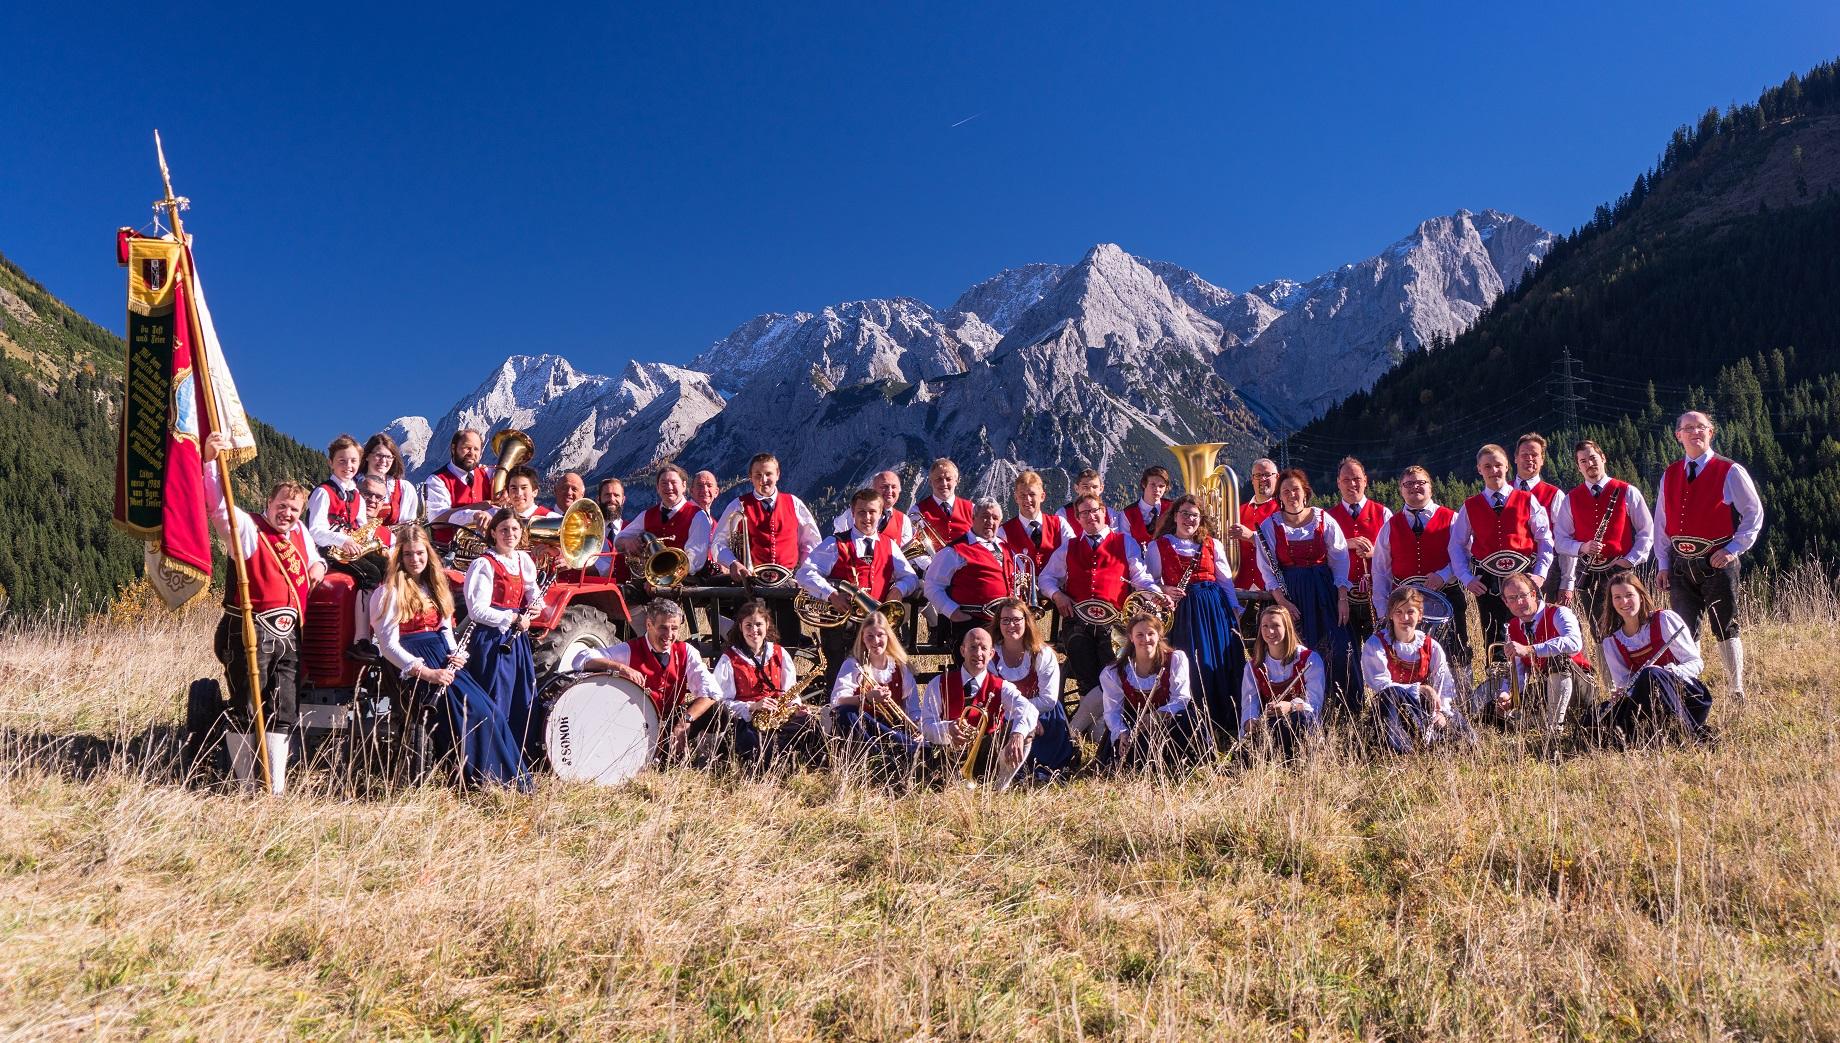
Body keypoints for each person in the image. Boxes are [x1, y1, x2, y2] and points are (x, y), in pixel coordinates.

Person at [202, 432, 325, 794]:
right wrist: (210, 462)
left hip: (289, 635)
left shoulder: (300, 532)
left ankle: (274, 790)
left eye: (294, 509)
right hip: (250, 629)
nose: (287, 514)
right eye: (282, 506)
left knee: (284, 709)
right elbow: (218, 507)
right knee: (246, 707)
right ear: (268, 502)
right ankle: (246, 788)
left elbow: (314, 558)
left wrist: (318, 566)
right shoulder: (248, 528)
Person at [371, 525, 528, 789]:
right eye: (408, 554)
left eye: (420, 553)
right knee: (470, 714)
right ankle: (479, 782)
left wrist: (457, 653)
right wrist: (427, 673)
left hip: (443, 659)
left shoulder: (434, 586)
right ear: (399, 557)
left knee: (490, 712)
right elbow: (388, 645)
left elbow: (445, 629)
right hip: (413, 665)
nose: (415, 559)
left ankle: (506, 782)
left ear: (428, 553)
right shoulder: (388, 592)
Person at [1653, 410, 1764, 703]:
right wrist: (1663, 563)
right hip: (1679, 563)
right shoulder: (1670, 473)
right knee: (1684, 629)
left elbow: (1754, 514)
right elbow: (1661, 523)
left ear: (1711, 432)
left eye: (1700, 427)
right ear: (1678, 435)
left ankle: (1736, 688)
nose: (1695, 432)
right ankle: (1692, 690)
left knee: (1725, 624)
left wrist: (1732, 550)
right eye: (1688, 428)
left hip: (1716, 561)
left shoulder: (1730, 470)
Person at [1041, 493, 1161, 708]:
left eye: (1094, 510)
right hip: (1078, 622)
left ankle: (1103, 719)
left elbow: (1140, 577)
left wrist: (1156, 594)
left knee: (1114, 676)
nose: (1090, 516)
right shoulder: (1069, 546)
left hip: (1114, 623)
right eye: (1084, 513)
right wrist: (1057, 595)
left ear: (1104, 512)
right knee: (1086, 678)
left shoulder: (1125, 542)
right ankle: (1090, 722)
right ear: (1078, 518)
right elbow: (1045, 578)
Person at [1146, 495, 1245, 747]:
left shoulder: (1213, 544)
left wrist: (1234, 611)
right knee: (1189, 662)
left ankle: (1223, 721)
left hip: (1214, 611)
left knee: (1217, 661)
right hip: (1182, 614)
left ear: (1201, 519)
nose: (1189, 519)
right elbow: (1151, 582)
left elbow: (1224, 581)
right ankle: (1193, 723)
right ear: (1174, 516)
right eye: (1184, 513)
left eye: (1194, 515)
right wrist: (1164, 589)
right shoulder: (1158, 546)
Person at [1255, 469, 1354, 713]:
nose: (1291, 495)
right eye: (1285, 491)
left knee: (1338, 648)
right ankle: (1301, 710)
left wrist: (1342, 597)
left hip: (1325, 594)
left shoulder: (1323, 519)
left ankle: (1341, 708)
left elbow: (1340, 560)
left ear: (1305, 492)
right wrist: (1283, 603)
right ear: (1279, 496)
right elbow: (1267, 571)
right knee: (1298, 651)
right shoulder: (1270, 525)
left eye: (1296, 489)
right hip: (1292, 596)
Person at [576, 600, 725, 762]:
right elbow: (582, 658)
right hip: (637, 726)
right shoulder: (630, 650)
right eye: (663, 628)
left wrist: (684, 721)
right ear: (649, 625)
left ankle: (707, 760)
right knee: (660, 761)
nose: (669, 635)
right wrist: (621, 667)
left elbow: (712, 692)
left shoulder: (686, 651)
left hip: (672, 721)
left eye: (674, 628)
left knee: (718, 711)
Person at [794, 488, 919, 683]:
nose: (867, 518)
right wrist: (831, 594)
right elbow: (804, 573)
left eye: (872, 512)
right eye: (861, 512)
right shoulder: (834, 543)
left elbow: (910, 577)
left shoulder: (889, 545)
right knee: (838, 676)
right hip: (842, 626)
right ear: (852, 513)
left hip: (875, 623)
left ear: (881, 513)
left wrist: (898, 590)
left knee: (877, 675)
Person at [1450, 443, 1554, 653]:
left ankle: (1536, 671)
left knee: (1532, 630)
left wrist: (1540, 574)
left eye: (1498, 465)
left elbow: (1545, 539)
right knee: (1493, 634)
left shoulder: (1527, 499)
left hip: (1524, 576)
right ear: (1479, 469)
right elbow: (1456, 545)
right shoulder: (1470, 506)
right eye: (1487, 466)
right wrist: (1467, 578)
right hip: (1487, 581)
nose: (1494, 470)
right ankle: (1499, 674)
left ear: (1507, 466)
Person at [461, 508, 546, 765]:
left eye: (515, 529)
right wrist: (513, 618)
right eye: (504, 530)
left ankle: (517, 760)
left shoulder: (522, 560)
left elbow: (532, 591)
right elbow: (477, 611)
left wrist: (535, 606)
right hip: (491, 640)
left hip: (516, 640)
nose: (510, 534)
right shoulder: (484, 564)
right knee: (497, 697)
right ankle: (492, 763)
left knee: (521, 697)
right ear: (493, 533)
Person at [1596, 571, 1713, 746]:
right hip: (1646, 702)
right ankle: (1650, 738)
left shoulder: (1664, 619)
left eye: (1629, 595)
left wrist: (1664, 673)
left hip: (1685, 695)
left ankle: (1688, 735)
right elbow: (1624, 682)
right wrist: (1623, 692)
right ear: (1611, 603)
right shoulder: (1612, 642)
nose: (1624, 602)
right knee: (1597, 715)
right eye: (1617, 597)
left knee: (1651, 674)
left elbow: (1696, 663)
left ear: (1641, 596)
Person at [1372, 465, 1470, 668]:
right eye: (1408, 484)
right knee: (1409, 661)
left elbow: (1467, 554)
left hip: (1448, 599)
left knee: (1456, 657)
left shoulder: (1452, 519)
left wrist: (1444, 575)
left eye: (1420, 482)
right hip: (1404, 607)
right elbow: (1380, 571)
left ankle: (1459, 690)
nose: (1414, 487)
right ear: (1401, 490)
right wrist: (1383, 612)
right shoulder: (1390, 525)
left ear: (1431, 487)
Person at [916, 627, 1038, 789]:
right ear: (962, 650)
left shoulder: (1001, 686)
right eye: (973, 647)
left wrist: (1017, 734)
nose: (978, 653)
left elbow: (1030, 710)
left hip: (987, 755)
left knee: (1027, 731)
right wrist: (947, 728)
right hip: (950, 754)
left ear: (991, 654)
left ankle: (999, 786)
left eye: (984, 648)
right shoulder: (938, 683)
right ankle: (953, 781)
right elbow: (925, 726)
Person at [711, 600, 823, 771]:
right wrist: (753, 706)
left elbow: (790, 692)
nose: (754, 630)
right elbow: (721, 702)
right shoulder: (729, 659)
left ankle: (814, 767)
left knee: (810, 724)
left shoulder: (779, 653)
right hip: (748, 720)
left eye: (758, 624)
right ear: (740, 627)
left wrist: (796, 707)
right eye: (748, 625)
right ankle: (774, 766)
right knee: (761, 745)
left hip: (778, 715)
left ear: (767, 625)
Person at [1555, 439, 1654, 629]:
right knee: (1598, 628)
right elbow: (1560, 541)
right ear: (1578, 467)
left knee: (1631, 624)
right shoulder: (1570, 499)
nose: (1589, 464)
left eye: (1593, 458)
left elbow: (1646, 531)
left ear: (1603, 458)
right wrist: (1582, 547)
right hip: (1588, 572)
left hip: (1620, 569)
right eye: (1583, 461)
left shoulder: (1627, 491)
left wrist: (1630, 560)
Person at [1361, 586, 1469, 755]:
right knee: (1391, 695)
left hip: (1426, 708)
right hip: (1391, 711)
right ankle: (1398, 751)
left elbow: (1444, 684)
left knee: (1465, 734)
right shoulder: (1376, 644)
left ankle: (1436, 743)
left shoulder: (1431, 645)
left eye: (1410, 612)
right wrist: (1420, 689)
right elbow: (1381, 685)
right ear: (1390, 614)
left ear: (1420, 615)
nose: (1405, 618)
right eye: (1398, 612)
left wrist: (1440, 712)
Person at [1485, 572, 1593, 732]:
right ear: (1505, 601)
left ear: (1534, 594)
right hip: (1546, 686)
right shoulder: (1513, 626)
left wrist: (1530, 649)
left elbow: (1574, 643)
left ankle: (1554, 729)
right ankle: (1537, 722)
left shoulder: (1559, 612)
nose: (1519, 602)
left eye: (1523, 595)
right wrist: (1508, 694)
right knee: (1490, 710)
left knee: (1557, 660)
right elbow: (1519, 672)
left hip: (1580, 685)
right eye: (1512, 598)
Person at [1099, 611, 1200, 771]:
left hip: (1169, 721)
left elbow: (1181, 698)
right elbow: (1112, 712)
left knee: (1187, 718)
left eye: (1151, 633)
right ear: (1131, 638)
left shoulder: (1175, 659)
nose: (1146, 639)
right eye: (1139, 634)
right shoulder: (1114, 672)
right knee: (1130, 762)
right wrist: (1122, 733)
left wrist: (1157, 716)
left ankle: (1177, 764)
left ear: (1159, 636)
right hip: (1137, 725)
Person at [828, 611, 924, 780]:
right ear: (862, 639)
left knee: (920, 743)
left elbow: (913, 708)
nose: (875, 641)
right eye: (869, 636)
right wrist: (866, 698)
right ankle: (889, 760)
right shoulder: (853, 665)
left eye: (880, 635)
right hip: (863, 725)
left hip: (891, 727)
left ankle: (896, 754)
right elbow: (837, 700)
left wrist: (919, 729)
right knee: (846, 713)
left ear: (889, 637)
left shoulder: (901, 667)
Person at [989, 597, 1078, 779]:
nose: (1011, 625)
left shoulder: (1042, 654)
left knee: (1040, 759)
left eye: (1016, 619)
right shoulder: (991, 654)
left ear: (1026, 622)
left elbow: (1048, 699)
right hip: (1004, 714)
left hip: (1042, 715)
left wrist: (1027, 715)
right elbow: (991, 696)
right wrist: (1022, 715)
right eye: (1005, 620)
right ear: (998, 623)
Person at [923, 498, 1019, 648]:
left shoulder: (1005, 547)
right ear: (973, 518)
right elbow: (931, 585)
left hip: (1006, 625)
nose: (990, 522)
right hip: (971, 623)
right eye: (985, 517)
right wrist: (953, 612)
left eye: (995, 518)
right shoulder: (954, 551)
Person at [1239, 604, 1325, 762]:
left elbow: (1315, 704)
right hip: (1271, 725)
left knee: (1299, 720)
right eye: (1265, 626)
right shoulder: (1253, 666)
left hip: (1301, 725)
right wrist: (1250, 721)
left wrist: (1291, 706)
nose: (1270, 632)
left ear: (1287, 628)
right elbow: (1249, 703)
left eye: (1276, 626)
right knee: (1245, 755)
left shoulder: (1309, 659)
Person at [1327, 456, 1390, 641]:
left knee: (1379, 649)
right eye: (1346, 480)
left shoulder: (1383, 513)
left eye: (1356, 479)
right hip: (1342, 599)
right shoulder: (1328, 517)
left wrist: (1373, 552)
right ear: (1338, 483)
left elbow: (1394, 550)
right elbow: (1320, 553)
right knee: (1348, 650)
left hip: (1377, 596)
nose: (1352, 484)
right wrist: (1346, 543)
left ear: (1365, 480)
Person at [614, 464, 714, 577]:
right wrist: (627, 542)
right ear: (657, 488)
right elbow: (618, 540)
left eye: (673, 482)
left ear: (684, 486)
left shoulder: (698, 516)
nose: (669, 487)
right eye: (664, 483)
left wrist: (663, 577)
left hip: (688, 582)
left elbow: (695, 562)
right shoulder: (646, 515)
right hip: (650, 582)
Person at [1226, 457, 1281, 633]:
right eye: (1258, 475)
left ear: (1277, 477)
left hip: (1270, 590)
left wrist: (1251, 537)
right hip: (1239, 589)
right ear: (1252, 479)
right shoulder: (1237, 510)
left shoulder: (1282, 509)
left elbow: (1283, 544)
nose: (1262, 479)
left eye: (1267, 475)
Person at [1513, 433, 1570, 602]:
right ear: (1515, 458)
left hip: (1548, 573)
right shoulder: (1502, 493)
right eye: (1524, 454)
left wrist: (1567, 582)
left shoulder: (1555, 495)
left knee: (1546, 618)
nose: (1529, 459)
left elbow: (1565, 539)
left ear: (1542, 460)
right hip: (1510, 571)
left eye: (1534, 455)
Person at [421, 429, 493, 544]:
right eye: (467, 448)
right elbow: (437, 520)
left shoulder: (488, 473)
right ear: (453, 449)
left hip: (487, 546)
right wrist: (475, 509)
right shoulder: (437, 479)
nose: (471, 453)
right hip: (449, 550)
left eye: (476, 449)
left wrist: (506, 492)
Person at [305, 433, 367, 559]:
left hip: (350, 550)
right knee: (372, 570)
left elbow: (363, 527)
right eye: (342, 461)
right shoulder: (323, 492)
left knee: (386, 564)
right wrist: (342, 540)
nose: (348, 465)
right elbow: (315, 531)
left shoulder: (358, 498)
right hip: (326, 552)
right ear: (331, 463)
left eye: (353, 461)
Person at [909, 457, 974, 563]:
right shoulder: (917, 511)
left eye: (948, 479)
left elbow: (980, 541)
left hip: (967, 567)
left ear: (956, 481)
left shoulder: (973, 509)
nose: (944, 483)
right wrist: (932, 567)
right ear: (930, 482)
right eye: (938, 479)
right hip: (932, 569)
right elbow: (913, 543)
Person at [832, 469, 916, 548]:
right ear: (873, 489)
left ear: (899, 491)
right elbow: (836, 545)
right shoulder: (852, 514)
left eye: (894, 487)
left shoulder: (904, 521)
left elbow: (905, 553)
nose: (889, 491)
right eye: (884, 486)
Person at [360, 432, 419, 526]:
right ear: (367, 456)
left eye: (388, 457)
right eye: (378, 455)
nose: (383, 461)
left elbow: (407, 527)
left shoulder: (403, 488)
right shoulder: (352, 484)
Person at [1060, 468, 1126, 535]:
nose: (1090, 490)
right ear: (1076, 488)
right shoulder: (1063, 514)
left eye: (1094, 487)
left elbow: (1116, 537)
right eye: (1085, 487)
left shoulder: (1110, 514)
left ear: (1101, 489)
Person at [1121, 465, 1173, 545]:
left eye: (1161, 486)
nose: (1157, 489)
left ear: (1166, 488)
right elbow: (1125, 544)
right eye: (1153, 484)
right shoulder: (1127, 514)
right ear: (1144, 484)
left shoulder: (1172, 508)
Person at [594, 477, 627, 580]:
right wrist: (604, 568)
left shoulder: (631, 529)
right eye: (607, 495)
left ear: (623, 500)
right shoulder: (587, 530)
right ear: (598, 499)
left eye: (616, 495)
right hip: (594, 587)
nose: (612, 499)